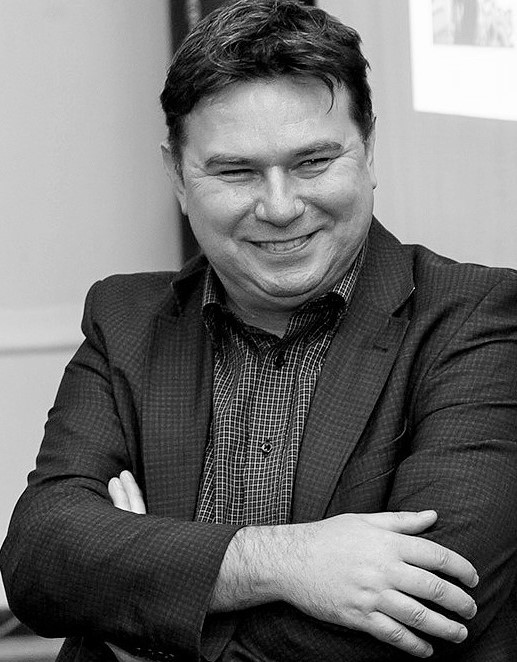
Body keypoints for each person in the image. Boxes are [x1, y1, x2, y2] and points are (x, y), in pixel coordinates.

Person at [1, 1, 516, 660]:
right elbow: (40, 561)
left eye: (313, 162)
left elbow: (431, 605)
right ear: (177, 177)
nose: (279, 206)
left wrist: (149, 612)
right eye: (236, 171)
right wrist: (281, 560)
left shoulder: (475, 317)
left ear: (368, 151)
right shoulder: (124, 317)